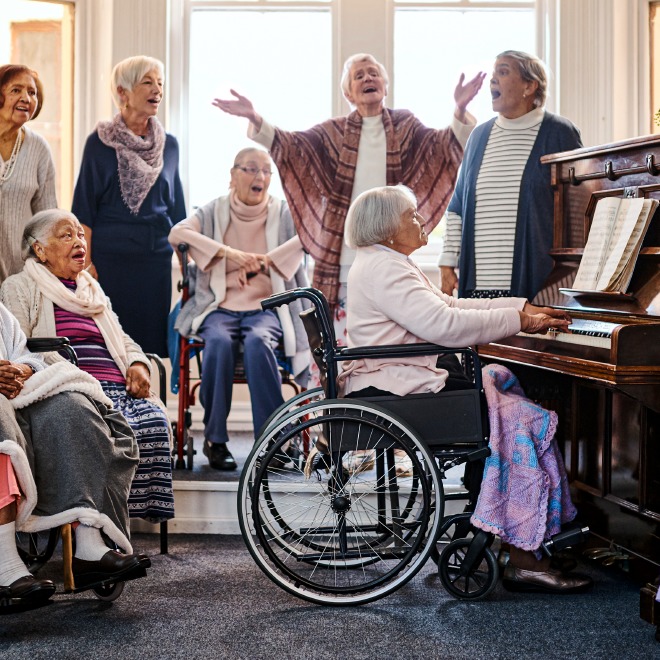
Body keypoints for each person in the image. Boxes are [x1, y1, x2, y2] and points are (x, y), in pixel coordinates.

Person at [339, 184, 592, 593]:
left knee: (507, 408)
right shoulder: (384, 268)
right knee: (519, 418)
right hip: (400, 390)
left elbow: (449, 306)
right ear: (387, 228)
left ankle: (518, 535)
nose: (422, 220)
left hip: (406, 380)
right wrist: (521, 322)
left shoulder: (386, 262)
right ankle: (524, 551)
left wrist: (521, 307)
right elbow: (445, 327)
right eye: (412, 215)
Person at [214, 53, 485, 343]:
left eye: (373, 73)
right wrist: (254, 118)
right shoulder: (333, 133)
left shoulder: (405, 125)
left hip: (391, 260)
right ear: (348, 93)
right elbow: (291, 147)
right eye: (359, 75)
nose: (368, 78)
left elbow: (442, 149)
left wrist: (459, 109)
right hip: (343, 263)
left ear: (385, 85)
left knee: (389, 343)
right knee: (340, 350)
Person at [1, 209, 174, 523]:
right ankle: (98, 523)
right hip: (69, 386)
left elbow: (122, 338)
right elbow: (21, 346)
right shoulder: (20, 286)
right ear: (39, 249)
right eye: (66, 235)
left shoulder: (91, 290)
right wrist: (63, 373)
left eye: (80, 234)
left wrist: (138, 364)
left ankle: (120, 520)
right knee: (102, 430)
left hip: (116, 385)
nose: (78, 240)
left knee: (154, 422)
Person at [0, 301, 148, 612]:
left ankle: (89, 549)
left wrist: (21, 370)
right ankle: (6, 567)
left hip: (17, 396)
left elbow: (26, 353)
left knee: (72, 407)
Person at [169, 148, 309, 471]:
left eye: (265, 171)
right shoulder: (213, 211)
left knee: (260, 343)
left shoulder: (283, 213)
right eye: (250, 169)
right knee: (217, 343)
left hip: (266, 308)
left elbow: (309, 236)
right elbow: (177, 234)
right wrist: (231, 255)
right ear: (232, 176)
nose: (259, 177)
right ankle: (215, 440)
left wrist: (263, 262)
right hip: (218, 305)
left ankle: (274, 441)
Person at [439, 50, 583, 301]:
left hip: (539, 286)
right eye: (493, 73)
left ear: (529, 86)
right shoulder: (479, 137)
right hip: (479, 288)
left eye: (503, 72)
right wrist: (446, 264)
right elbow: (458, 206)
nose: (493, 80)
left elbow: (579, 208)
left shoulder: (560, 133)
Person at [71, 55, 186, 356]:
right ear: (122, 92)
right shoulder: (99, 143)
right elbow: (84, 210)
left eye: (160, 83)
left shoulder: (170, 145)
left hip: (154, 263)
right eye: (147, 82)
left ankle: (148, 404)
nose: (157, 90)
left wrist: (191, 268)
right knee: (106, 346)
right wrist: (85, 266)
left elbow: (179, 214)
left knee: (148, 350)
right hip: (109, 264)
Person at [0, 64, 56, 284]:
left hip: (22, 277)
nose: (26, 98)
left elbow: (48, 219)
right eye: (16, 90)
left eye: (32, 93)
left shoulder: (39, 148)